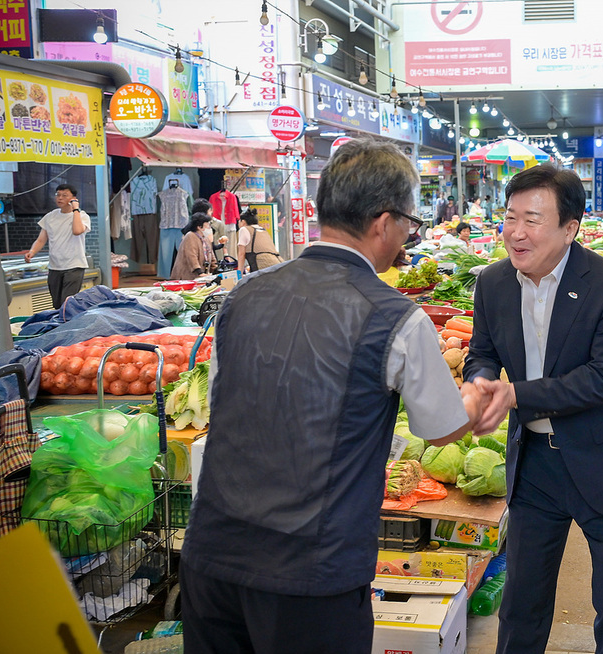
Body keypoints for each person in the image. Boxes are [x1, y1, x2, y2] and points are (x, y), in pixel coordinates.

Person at [180, 138, 487, 654]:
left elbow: (221, 403)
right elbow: (440, 429)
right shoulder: (396, 318)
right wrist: (475, 403)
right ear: (383, 223)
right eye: (409, 224)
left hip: (212, 555)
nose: (407, 237)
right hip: (311, 574)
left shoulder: (242, 296)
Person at [462, 164, 603, 654]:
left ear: (570, 228)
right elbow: (482, 351)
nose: (516, 232)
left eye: (532, 220)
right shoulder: (493, 283)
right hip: (535, 465)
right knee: (522, 602)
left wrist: (516, 395)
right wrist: (479, 383)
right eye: (510, 217)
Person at [24, 183, 91, 309]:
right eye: (58, 195)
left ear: (73, 198)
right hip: (55, 266)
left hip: (74, 266)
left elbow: (77, 231)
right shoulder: (50, 216)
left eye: (64, 195)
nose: (60, 198)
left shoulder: (82, 216)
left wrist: (75, 209)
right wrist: (32, 252)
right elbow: (41, 239)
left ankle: (67, 321)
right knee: (56, 304)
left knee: (67, 304)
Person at [169, 213, 216, 280]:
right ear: (199, 227)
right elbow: (191, 256)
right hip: (186, 276)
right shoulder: (190, 236)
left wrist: (215, 267)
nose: (209, 228)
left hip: (200, 276)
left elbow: (211, 254)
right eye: (207, 226)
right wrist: (199, 271)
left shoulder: (206, 238)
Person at [236, 208, 282, 273]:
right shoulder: (263, 230)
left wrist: (239, 273)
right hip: (278, 263)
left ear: (243, 222)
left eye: (239, 221)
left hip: (263, 265)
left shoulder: (244, 229)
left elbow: (241, 254)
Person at [193, 198, 228, 262]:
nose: (211, 212)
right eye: (209, 210)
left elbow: (212, 246)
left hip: (206, 257)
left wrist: (225, 253)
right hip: (203, 257)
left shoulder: (190, 228)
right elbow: (212, 246)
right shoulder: (205, 228)